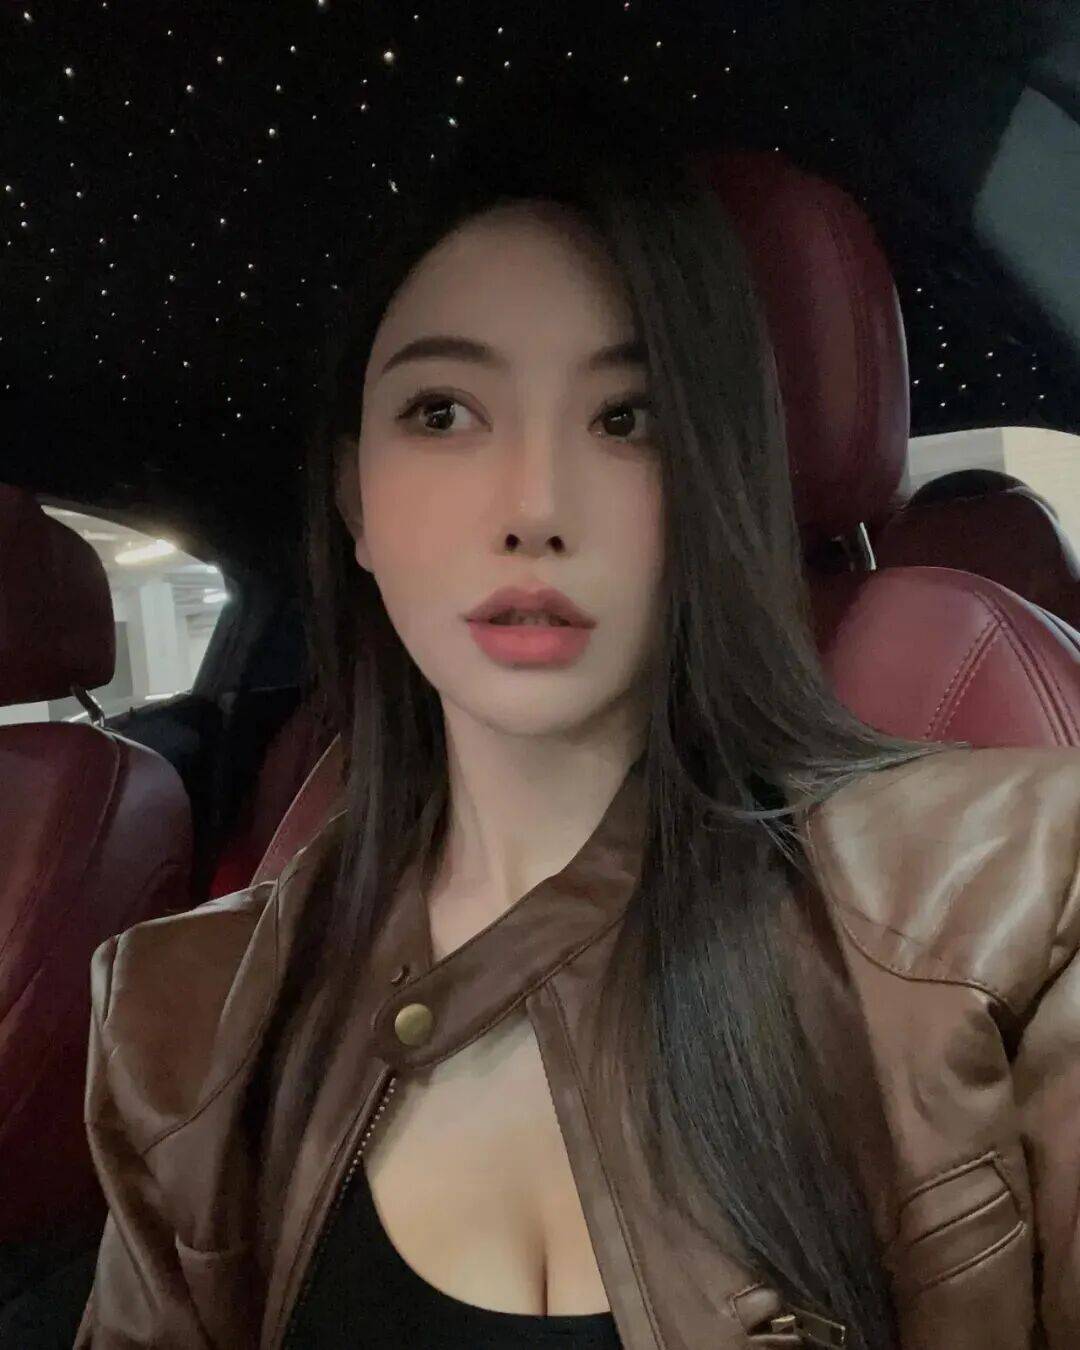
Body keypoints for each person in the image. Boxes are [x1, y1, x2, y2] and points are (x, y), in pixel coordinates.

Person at [72, 77, 1080, 1350]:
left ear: (711, 477)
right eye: (444, 413)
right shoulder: (180, 1021)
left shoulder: (1016, 895)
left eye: (627, 419)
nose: (535, 505)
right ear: (355, 502)